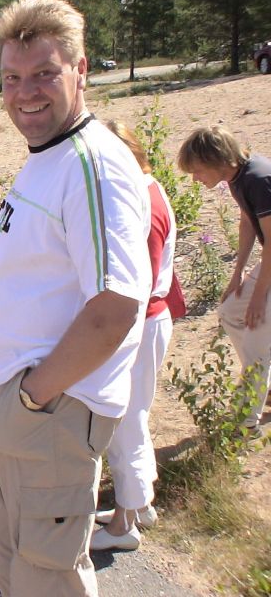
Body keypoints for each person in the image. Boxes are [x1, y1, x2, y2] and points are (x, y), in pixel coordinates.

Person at [0, 0, 152, 595]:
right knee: (12, 564)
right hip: (14, 408)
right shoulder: (51, 156)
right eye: (12, 78)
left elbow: (116, 305)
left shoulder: (94, 166)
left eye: (45, 73)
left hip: (49, 414)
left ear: (81, 69)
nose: (26, 93)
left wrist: (34, 397)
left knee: (47, 580)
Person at [90, 120, 186, 551]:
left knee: (125, 421)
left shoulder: (139, 201)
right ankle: (139, 505)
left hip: (141, 320)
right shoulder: (153, 189)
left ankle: (124, 527)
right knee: (135, 417)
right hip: (151, 318)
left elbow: (136, 282)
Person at [178, 126, 271, 433]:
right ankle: (262, 386)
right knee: (232, 311)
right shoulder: (237, 176)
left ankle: (244, 424)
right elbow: (247, 220)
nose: (195, 178)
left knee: (256, 329)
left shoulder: (258, 178)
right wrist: (238, 274)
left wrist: (259, 296)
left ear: (216, 159)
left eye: (197, 170)